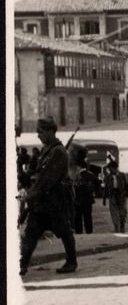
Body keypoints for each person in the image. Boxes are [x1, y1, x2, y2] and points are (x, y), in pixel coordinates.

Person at [19, 117, 78, 276]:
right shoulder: (47, 149)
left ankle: (72, 262)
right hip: (42, 202)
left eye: (41, 132)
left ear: (51, 131)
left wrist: (30, 196)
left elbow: (47, 179)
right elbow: (39, 174)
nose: (38, 135)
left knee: (64, 231)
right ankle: (22, 265)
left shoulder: (58, 151)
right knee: (31, 233)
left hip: (54, 202)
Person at [70, 148, 99, 234]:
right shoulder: (91, 175)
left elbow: (74, 187)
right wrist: (93, 192)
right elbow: (97, 183)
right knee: (88, 217)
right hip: (88, 200)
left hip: (78, 200)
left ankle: (79, 232)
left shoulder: (76, 176)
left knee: (78, 217)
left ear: (79, 167)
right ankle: (89, 232)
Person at [103, 161, 128, 233]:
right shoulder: (108, 177)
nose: (109, 170)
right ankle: (116, 227)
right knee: (114, 213)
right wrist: (104, 199)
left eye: (110, 168)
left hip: (121, 196)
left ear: (115, 168)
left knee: (123, 213)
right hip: (112, 196)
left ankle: (122, 226)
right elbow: (106, 188)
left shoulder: (122, 175)